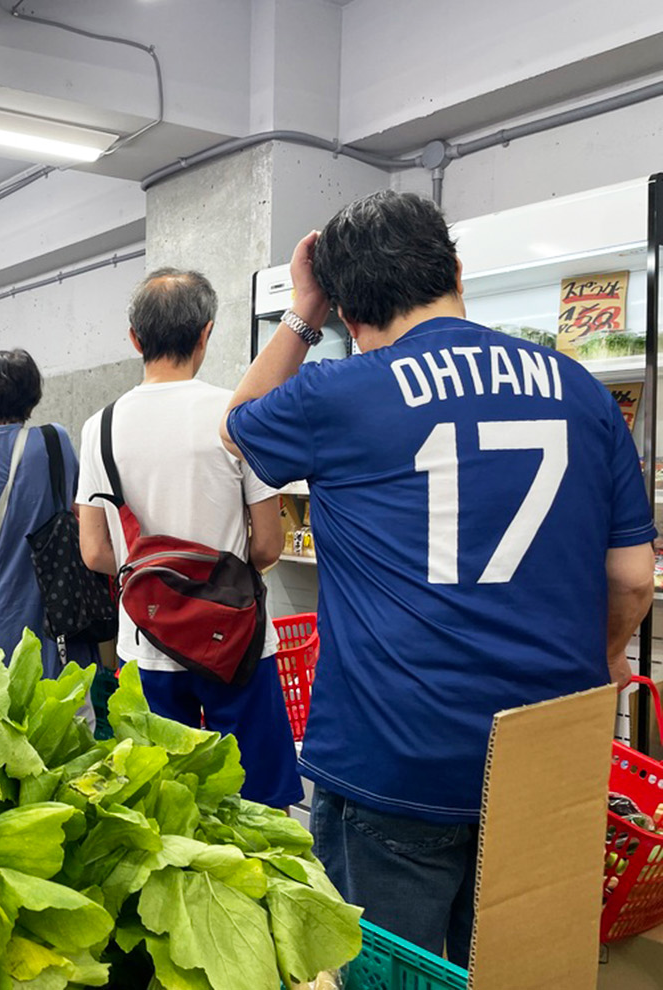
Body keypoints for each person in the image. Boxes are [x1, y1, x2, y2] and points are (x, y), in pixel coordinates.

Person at [220, 191, 657, 965]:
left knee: (393, 973)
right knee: (519, 967)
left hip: (395, 751)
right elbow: (631, 577)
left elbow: (237, 426)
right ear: (457, 269)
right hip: (545, 750)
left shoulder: (339, 395)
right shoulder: (584, 393)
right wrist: (610, 655)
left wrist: (301, 312)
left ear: (348, 313)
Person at [76, 268, 302, 811]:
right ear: (206, 333)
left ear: (135, 339)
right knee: (257, 809)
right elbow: (269, 545)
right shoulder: (237, 415)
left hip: (147, 645)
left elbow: (96, 552)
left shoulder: (100, 426)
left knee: (167, 811)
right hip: (238, 645)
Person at [0, 349, 98, 680]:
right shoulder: (56, 440)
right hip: (58, 612)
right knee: (60, 719)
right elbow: (78, 512)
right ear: (33, 396)